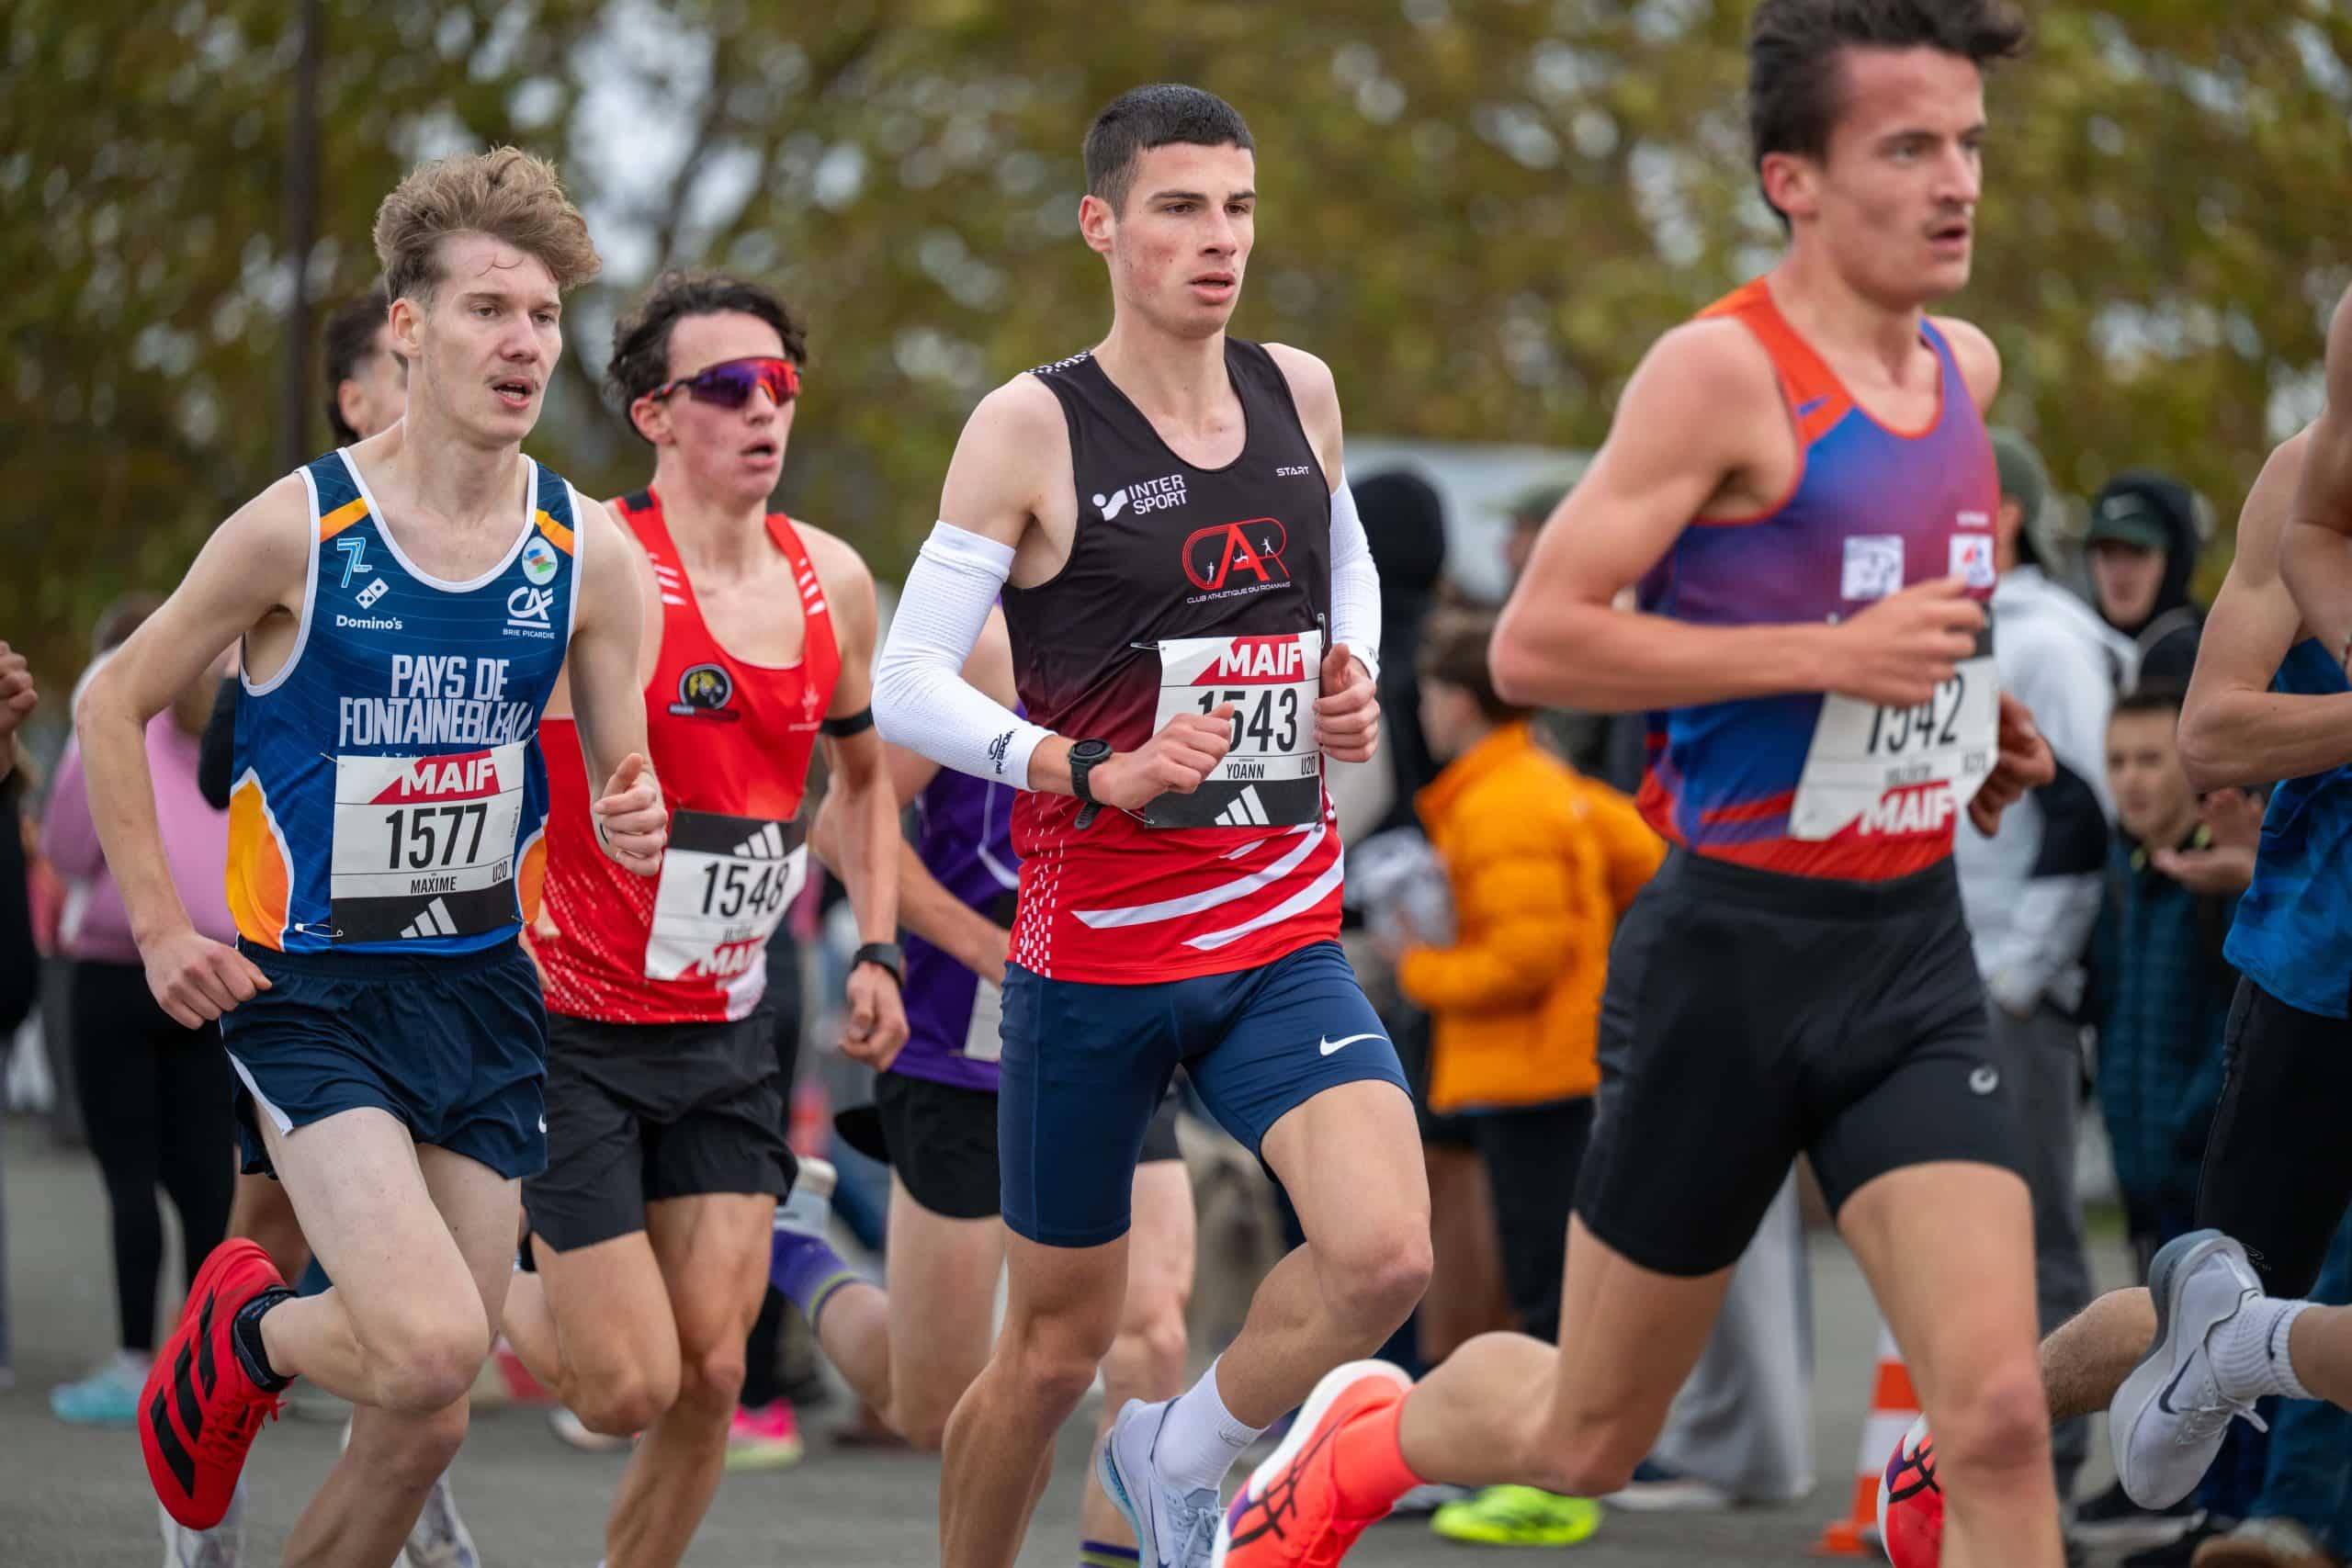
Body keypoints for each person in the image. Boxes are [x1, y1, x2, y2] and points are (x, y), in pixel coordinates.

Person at [1214, 6, 2070, 1566]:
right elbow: (1536, 642)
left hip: (1911, 951)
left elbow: (1906, 622)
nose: (1957, 184)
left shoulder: (1964, 370)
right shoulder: (1721, 376)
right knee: (1585, 1436)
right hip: (1728, 962)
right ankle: (1366, 1434)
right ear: (1791, 178)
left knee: (2000, 1417)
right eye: (1908, 149)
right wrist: (1831, 653)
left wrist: (1973, 715)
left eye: (1969, 147)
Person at [77, 148, 665, 1567]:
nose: (522, 341)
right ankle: (243, 1326)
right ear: (406, 325)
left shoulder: (588, 554)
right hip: (315, 992)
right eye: (484, 308)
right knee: (423, 1340)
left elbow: (620, 769)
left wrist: (635, 812)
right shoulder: (304, 525)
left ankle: (247, 1347)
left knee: (429, 1404)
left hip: (483, 994)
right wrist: (161, 929)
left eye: (540, 313)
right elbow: (111, 699)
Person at [871, 83, 1422, 1568]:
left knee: (1383, 1252)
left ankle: (1184, 1448)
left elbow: (1343, 555)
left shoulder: (1296, 387)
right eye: (1181, 207)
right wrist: (1074, 766)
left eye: (1238, 206)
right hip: (1094, 961)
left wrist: (1344, 663)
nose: (1218, 238)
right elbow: (904, 678)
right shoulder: (1032, 425)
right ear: (1102, 223)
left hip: (1273, 930)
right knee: (1052, 1350)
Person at [490, 270, 904, 1568]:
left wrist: (879, 943)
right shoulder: (592, 566)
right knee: (623, 1385)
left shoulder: (832, 578)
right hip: (572, 1021)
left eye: (778, 381)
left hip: (729, 1018)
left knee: (716, 1372)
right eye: (726, 386)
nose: (761, 408)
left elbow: (865, 777)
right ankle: (451, 1277)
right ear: (656, 413)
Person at [796, 604, 1199, 1568]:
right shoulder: (982, 645)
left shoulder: (1176, 632)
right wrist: (989, 947)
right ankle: (799, 1256)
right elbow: (839, 826)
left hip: (1109, 1036)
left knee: (1147, 1336)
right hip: (959, 1056)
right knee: (929, 1401)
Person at [1388, 606, 1660, 1549]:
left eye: (1428, 694)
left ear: (1461, 703)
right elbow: (1651, 862)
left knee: (1543, 1279)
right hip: (1556, 1067)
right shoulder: (1544, 784)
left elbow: (1524, 957)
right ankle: (1556, 1461)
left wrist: (1417, 969)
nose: (1420, 709)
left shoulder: (1503, 800)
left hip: (1529, 1073)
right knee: (1549, 1272)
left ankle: (1554, 1476)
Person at [203, 283, 413, 1289]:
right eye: (404, 370)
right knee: (265, 1230)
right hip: (307, 963)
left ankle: (360, 1377)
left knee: (429, 1310)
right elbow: (213, 770)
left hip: (454, 966)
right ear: (354, 400)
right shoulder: (303, 535)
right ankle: (201, 1369)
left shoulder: (520, 550)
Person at [1950, 427, 2123, 1507]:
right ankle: (1971, 1467)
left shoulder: (2050, 641)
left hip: (2010, 982)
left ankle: (2048, 1474)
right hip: (1942, 965)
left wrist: (2021, 973)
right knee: (1964, 1236)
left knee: (2031, 1226)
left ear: (1998, 511)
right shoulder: (1958, 626)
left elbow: (2092, 819)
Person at [40, 654, 237, 1428]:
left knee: (130, 1179)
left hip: (121, 974)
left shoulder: (116, 717)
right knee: (208, 1185)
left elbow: (64, 850)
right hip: (220, 974)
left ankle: (132, 1361)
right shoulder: (242, 716)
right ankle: (202, 1364)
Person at [2085, 469, 2208, 690]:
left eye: (2137, 551)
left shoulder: (2185, 654)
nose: (2120, 571)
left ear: (2172, 562)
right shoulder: (2080, 642)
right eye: (2107, 551)